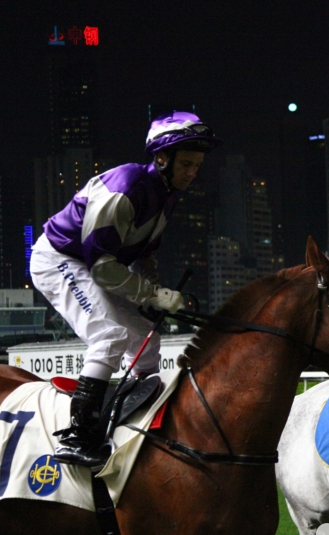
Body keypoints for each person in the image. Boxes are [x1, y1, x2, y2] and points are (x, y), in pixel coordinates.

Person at [29, 111, 222, 467]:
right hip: (60, 259)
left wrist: (152, 291)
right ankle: (78, 436)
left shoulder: (167, 194)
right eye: (187, 164)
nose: (193, 173)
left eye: (197, 165)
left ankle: (137, 424)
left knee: (146, 338)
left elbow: (143, 253)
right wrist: (152, 296)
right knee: (110, 337)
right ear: (162, 159)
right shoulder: (127, 187)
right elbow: (102, 267)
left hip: (96, 264)